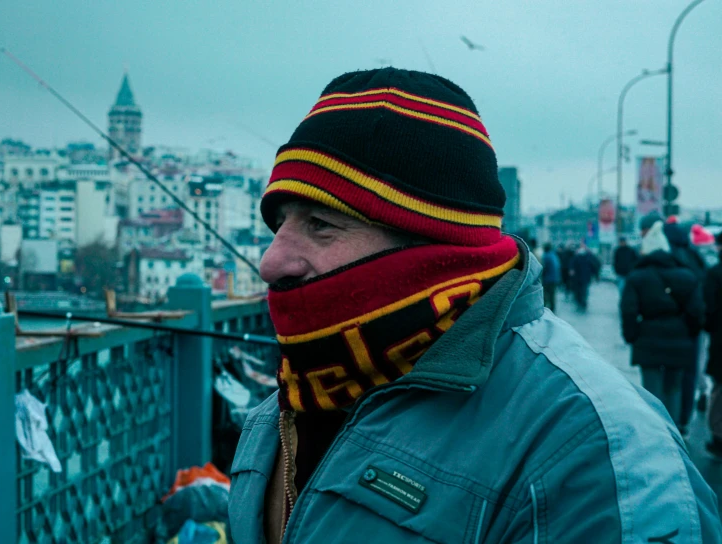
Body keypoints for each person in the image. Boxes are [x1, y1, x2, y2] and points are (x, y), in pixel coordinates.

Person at [227, 68, 721, 543]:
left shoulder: (601, 452)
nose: (272, 262)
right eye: (281, 225)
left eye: (320, 224)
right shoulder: (293, 401)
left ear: (434, 251)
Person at [620, 221, 704, 428]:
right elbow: (696, 311)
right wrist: (689, 333)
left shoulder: (637, 277)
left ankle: (654, 433)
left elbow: (628, 311)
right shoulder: (686, 276)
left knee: (651, 390)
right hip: (679, 339)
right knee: (673, 388)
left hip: (647, 338)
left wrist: (632, 336)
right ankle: (673, 431)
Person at [663, 218, 707, 435]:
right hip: (692, 330)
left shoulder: (667, 260)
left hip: (671, 329)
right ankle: (683, 420)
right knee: (689, 374)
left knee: (669, 377)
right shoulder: (696, 258)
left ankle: (669, 421)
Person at [705, 231, 722, 458]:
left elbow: (708, 308)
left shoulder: (715, 273)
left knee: (719, 390)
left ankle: (719, 437)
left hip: (721, 338)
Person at [569, 243, 600, 311]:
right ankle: (581, 301)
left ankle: (582, 301)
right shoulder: (580, 257)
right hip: (581, 277)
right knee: (581, 290)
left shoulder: (584, 256)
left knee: (583, 290)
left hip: (583, 277)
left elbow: (594, 266)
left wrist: (595, 274)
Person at [541, 242, 560, 312]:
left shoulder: (546, 256)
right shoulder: (554, 255)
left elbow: (544, 268)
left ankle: (546, 309)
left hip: (548, 279)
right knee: (553, 294)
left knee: (546, 294)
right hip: (555, 278)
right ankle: (553, 308)